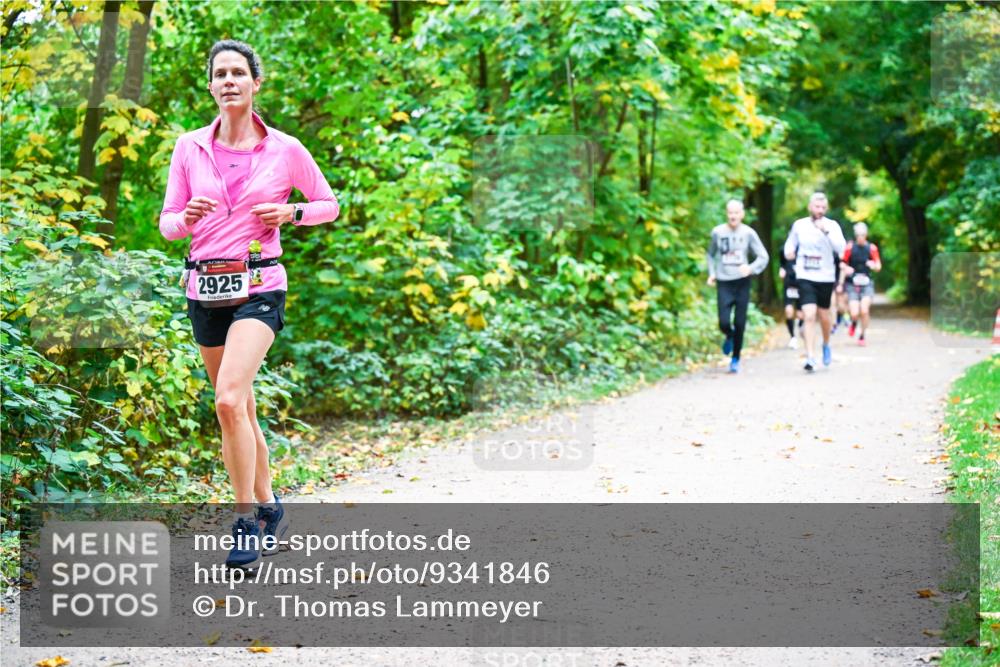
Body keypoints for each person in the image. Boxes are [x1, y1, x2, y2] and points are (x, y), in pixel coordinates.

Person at [159, 40, 340, 568]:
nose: (230, 80)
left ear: (256, 83)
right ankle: (269, 505)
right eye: (221, 73)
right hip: (204, 288)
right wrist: (187, 219)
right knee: (242, 409)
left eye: (240, 72)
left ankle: (243, 523)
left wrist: (291, 214)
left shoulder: (285, 148)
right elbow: (168, 225)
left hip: (260, 284)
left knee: (227, 400)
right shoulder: (189, 147)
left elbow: (328, 204)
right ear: (211, 85)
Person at [783, 192, 846, 372]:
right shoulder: (799, 225)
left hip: (825, 277)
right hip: (805, 276)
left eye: (823, 208)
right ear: (810, 207)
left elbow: (841, 248)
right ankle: (810, 356)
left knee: (824, 316)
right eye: (816, 207)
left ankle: (826, 343)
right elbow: (790, 244)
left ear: (826, 209)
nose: (819, 210)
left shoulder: (832, 226)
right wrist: (789, 252)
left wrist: (826, 231)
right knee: (809, 315)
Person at [706, 199, 770, 373]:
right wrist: (711, 273)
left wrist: (750, 268)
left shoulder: (749, 233)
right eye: (730, 212)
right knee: (724, 321)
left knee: (740, 322)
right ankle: (729, 334)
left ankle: (735, 358)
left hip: (742, 281)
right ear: (726, 214)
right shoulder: (717, 232)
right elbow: (710, 255)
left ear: (742, 214)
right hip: (723, 281)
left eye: (736, 212)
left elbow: (763, 256)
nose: (733, 216)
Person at [842, 222, 882, 345]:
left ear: (866, 235)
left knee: (864, 310)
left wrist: (873, 265)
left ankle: (862, 335)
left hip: (866, 283)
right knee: (854, 313)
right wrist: (846, 268)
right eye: (858, 235)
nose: (860, 237)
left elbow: (878, 266)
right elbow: (842, 263)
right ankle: (854, 323)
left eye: (863, 235)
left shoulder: (871, 248)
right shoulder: (849, 248)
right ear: (856, 236)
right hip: (852, 283)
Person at [778, 253, 803, 349]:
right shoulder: (783, 250)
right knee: (788, 311)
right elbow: (782, 264)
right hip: (789, 286)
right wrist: (782, 270)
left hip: (801, 286)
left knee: (801, 315)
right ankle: (793, 337)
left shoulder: (804, 247)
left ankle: (800, 328)